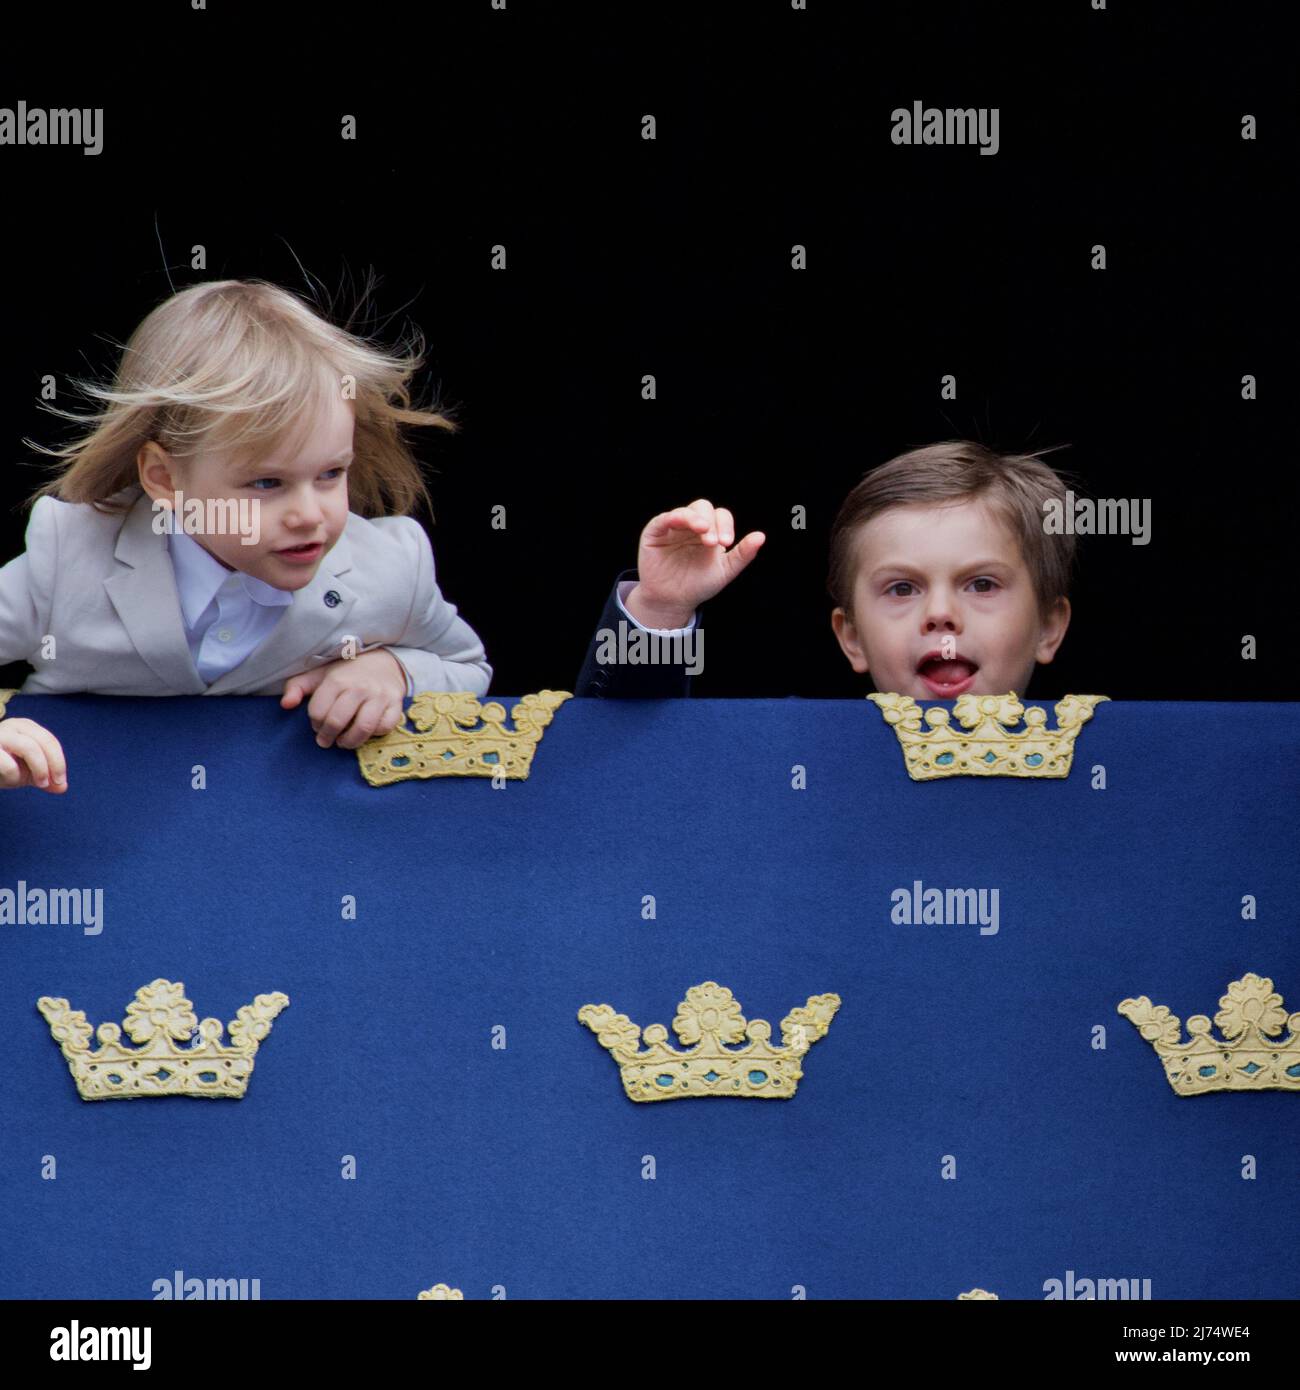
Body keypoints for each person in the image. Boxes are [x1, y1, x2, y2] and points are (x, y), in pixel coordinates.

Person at [0, 279, 490, 792]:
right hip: (87, 828)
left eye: (330, 474)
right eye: (266, 483)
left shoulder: (387, 569)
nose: (309, 515)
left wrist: (393, 671)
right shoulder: (70, 560)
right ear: (166, 479)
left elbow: (466, 664)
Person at [576, 441, 1074, 701]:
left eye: (982, 584)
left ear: (1049, 627)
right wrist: (661, 610)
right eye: (902, 588)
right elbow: (625, 770)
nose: (940, 615)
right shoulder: (798, 768)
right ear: (850, 636)